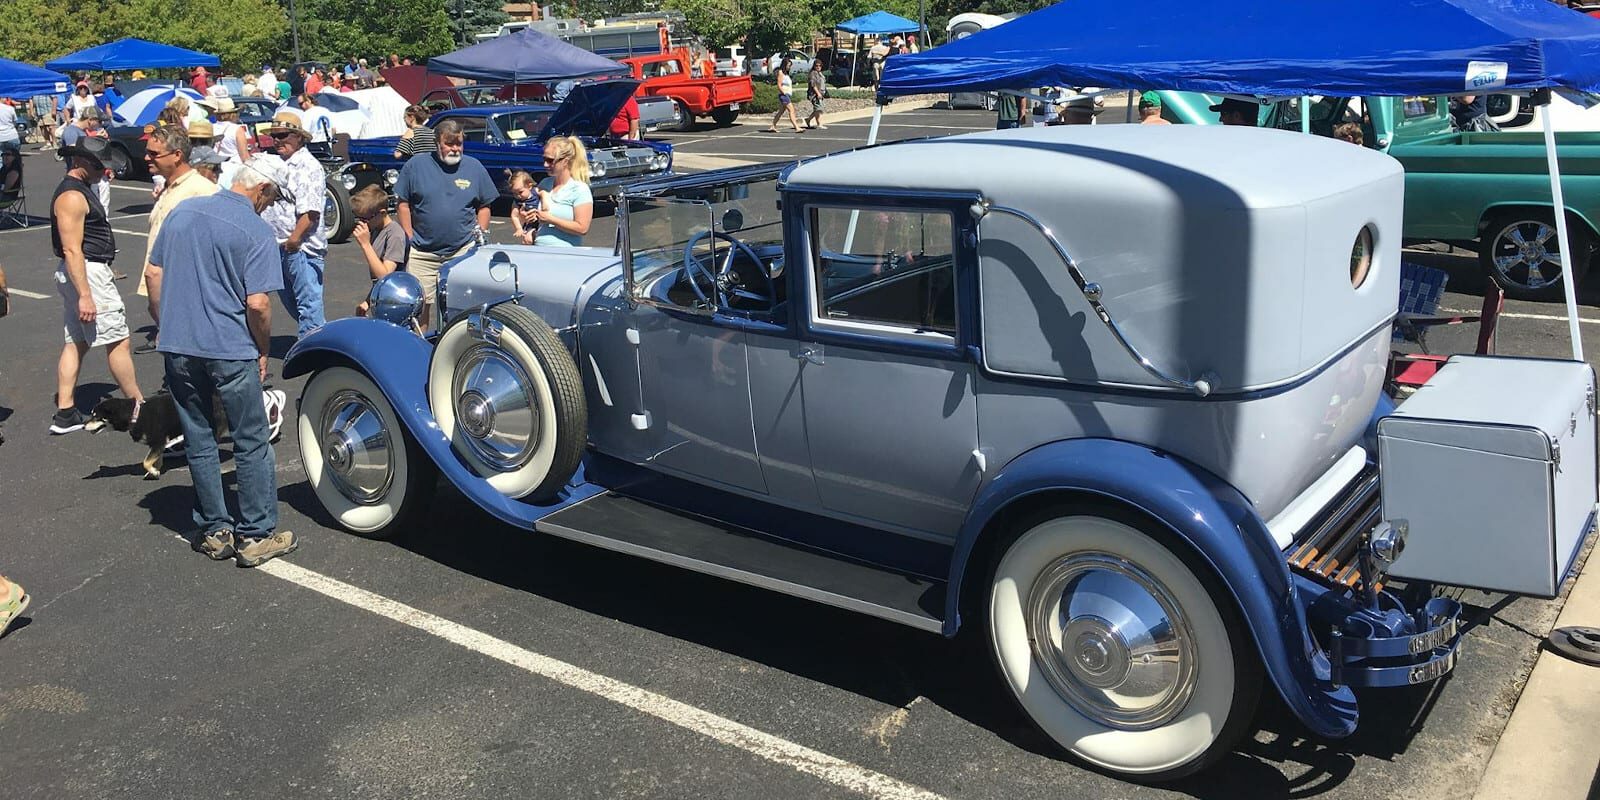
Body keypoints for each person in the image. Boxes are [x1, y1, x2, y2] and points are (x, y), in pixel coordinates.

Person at [148, 155, 295, 567]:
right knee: (250, 439)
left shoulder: (182, 211)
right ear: (262, 190)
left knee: (199, 435)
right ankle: (256, 533)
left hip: (179, 345)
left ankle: (215, 528)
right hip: (229, 347)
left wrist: (166, 322)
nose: (269, 205)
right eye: (271, 197)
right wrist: (263, 348)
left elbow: (153, 275)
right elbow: (258, 303)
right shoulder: (255, 230)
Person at [50, 136, 142, 434]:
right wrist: (86, 295)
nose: (104, 171)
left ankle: (65, 412)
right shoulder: (72, 197)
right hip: (86, 272)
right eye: (98, 166)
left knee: (76, 341)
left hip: (85, 271)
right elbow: (72, 249)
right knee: (117, 340)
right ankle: (137, 405)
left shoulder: (80, 190)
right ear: (79, 162)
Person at [394, 119, 496, 328]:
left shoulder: (473, 167)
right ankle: (420, 352)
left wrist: (480, 233)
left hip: (462, 252)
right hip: (423, 253)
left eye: (458, 143)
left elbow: (485, 205)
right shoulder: (415, 165)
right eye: (449, 143)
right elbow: (402, 203)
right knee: (419, 307)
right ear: (436, 142)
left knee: (463, 307)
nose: (455, 148)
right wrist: (408, 236)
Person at [139, 126, 218, 352]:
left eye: (154, 154)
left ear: (177, 155)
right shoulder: (169, 188)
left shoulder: (202, 190)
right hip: (165, 286)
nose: (147, 158)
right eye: (147, 152)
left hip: (187, 290)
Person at [261, 112, 328, 337]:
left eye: (283, 135)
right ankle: (314, 342)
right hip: (281, 245)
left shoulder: (308, 166)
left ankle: (314, 349)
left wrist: (295, 239)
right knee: (294, 303)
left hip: (301, 247)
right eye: (274, 136)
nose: (278, 140)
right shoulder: (280, 164)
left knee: (308, 305)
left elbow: (310, 212)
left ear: (299, 137)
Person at [349, 185, 407, 315]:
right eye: (358, 218)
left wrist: (365, 244)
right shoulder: (375, 229)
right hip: (383, 297)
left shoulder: (395, 234)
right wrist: (367, 302)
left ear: (382, 213)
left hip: (397, 301)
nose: (361, 223)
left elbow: (385, 277)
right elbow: (377, 281)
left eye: (365, 219)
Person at [529, 136, 593, 247]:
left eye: (550, 160)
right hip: (539, 251)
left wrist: (551, 219)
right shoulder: (545, 183)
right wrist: (531, 227)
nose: (545, 165)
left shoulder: (580, 189)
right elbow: (538, 219)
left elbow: (582, 228)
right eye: (544, 159)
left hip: (566, 253)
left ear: (565, 161)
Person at [767, 59, 803, 133]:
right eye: (788, 65)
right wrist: (783, 92)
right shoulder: (780, 73)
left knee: (781, 112)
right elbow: (779, 84)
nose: (789, 67)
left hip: (787, 95)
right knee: (791, 110)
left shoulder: (786, 74)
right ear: (784, 65)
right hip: (784, 95)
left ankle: (773, 126)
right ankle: (796, 127)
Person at [507, 170, 539, 245]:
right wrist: (519, 229)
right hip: (530, 224)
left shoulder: (537, 192)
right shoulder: (517, 202)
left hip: (542, 221)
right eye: (514, 193)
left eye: (520, 192)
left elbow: (546, 194)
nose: (518, 196)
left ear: (529, 186)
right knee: (528, 240)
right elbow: (514, 216)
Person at [805, 60, 828, 130]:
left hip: (821, 93)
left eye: (820, 66)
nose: (818, 67)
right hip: (814, 94)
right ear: (814, 66)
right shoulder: (813, 74)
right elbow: (813, 85)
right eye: (816, 66)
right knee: (818, 108)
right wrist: (817, 93)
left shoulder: (820, 73)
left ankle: (808, 119)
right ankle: (819, 124)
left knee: (818, 109)